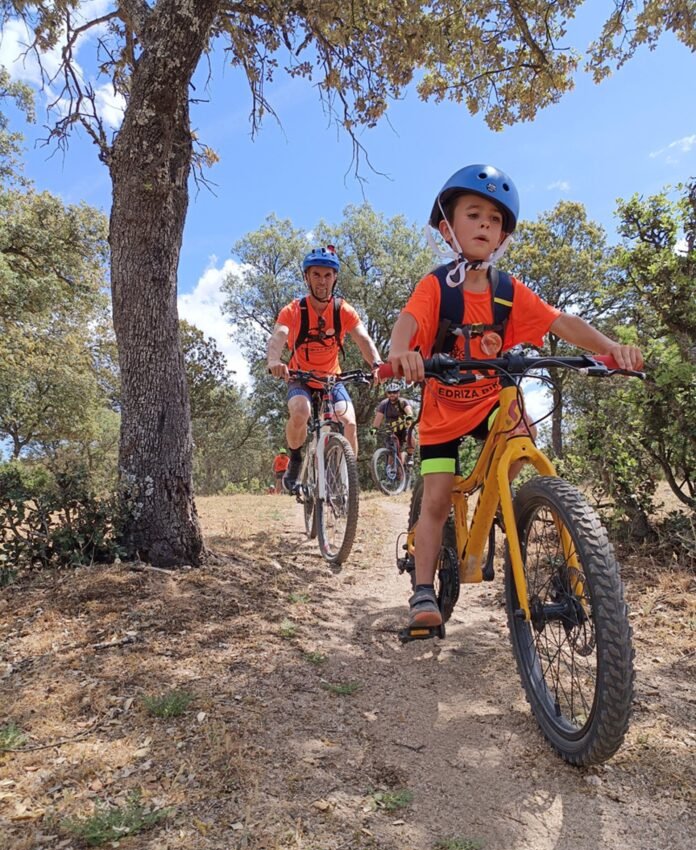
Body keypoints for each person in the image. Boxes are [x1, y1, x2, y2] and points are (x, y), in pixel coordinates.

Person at [387, 163, 643, 630]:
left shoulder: (508, 293)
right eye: (473, 214)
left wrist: (610, 350)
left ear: (503, 235)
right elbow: (407, 323)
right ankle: (423, 589)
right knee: (436, 501)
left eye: (495, 220)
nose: (485, 225)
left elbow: (561, 322)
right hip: (442, 410)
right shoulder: (436, 288)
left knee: (523, 437)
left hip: (491, 400)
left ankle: (511, 502)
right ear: (447, 228)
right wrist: (401, 353)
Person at [267, 245, 382, 490]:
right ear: (306, 277)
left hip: (332, 379)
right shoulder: (294, 310)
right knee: (301, 412)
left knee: (349, 423)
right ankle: (296, 458)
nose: (322, 281)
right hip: (300, 377)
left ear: (335, 277)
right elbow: (278, 336)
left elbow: (363, 339)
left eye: (328, 275)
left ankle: (344, 482)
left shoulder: (343, 310)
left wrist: (377, 363)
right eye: (317, 275)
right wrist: (274, 361)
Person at [371, 381, 416, 466]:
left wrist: (409, 417)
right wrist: (373, 430)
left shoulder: (403, 402)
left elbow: (409, 412)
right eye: (390, 392)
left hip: (404, 427)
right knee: (391, 455)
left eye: (394, 392)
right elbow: (378, 419)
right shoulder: (384, 404)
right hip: (392, 429)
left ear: (398, 393)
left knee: (409, 437)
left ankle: (410, 456)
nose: (392, 394)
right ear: (387, 394)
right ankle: (392, 470)